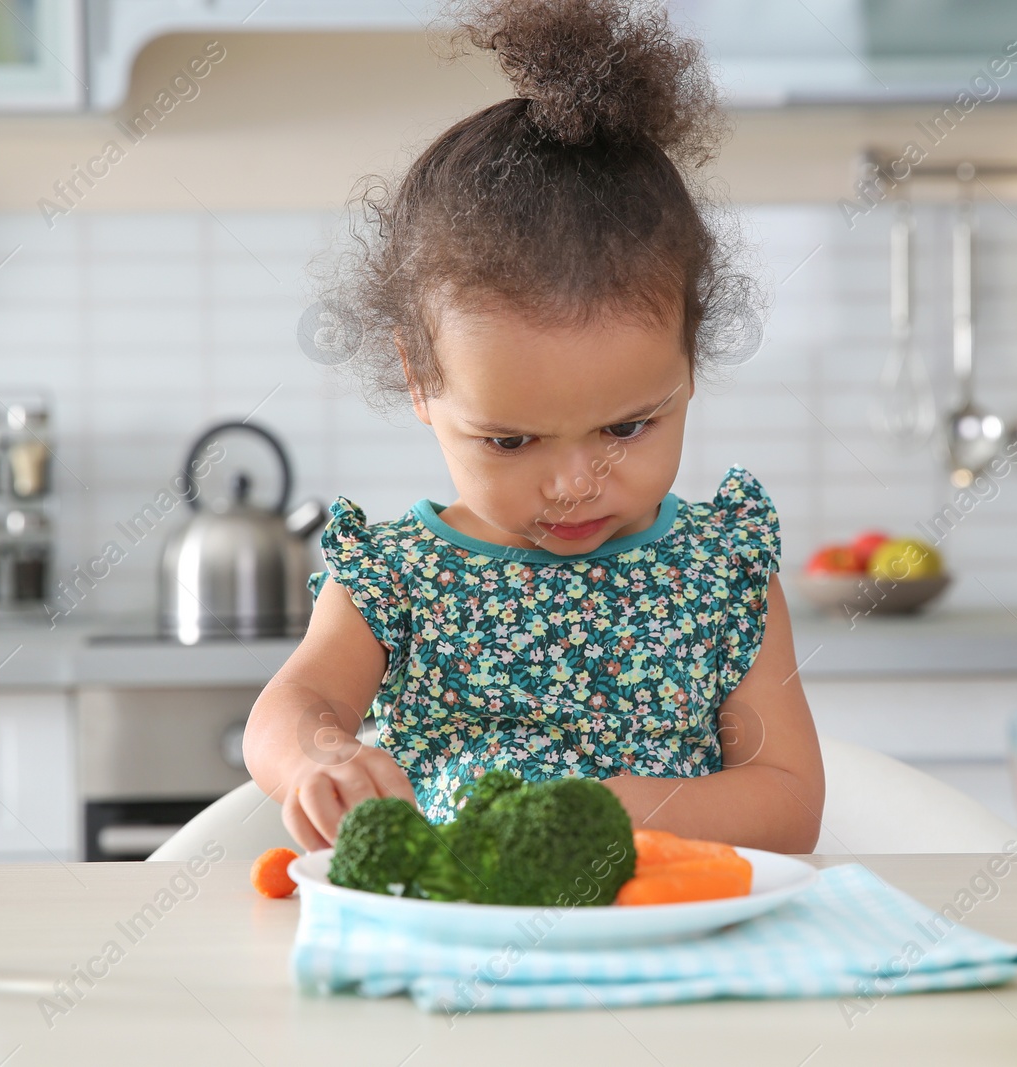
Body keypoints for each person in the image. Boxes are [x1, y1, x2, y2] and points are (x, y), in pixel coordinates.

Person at [244, 0, 824, 854]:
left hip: (667, 951)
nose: (573, 482)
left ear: (690, 362)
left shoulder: (722, 572)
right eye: (512, 441)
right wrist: (318, 757)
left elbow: (788, 803)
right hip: (456, 953)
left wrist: (598, 815)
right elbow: (290, 710)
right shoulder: (399, 578)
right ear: (419, 378)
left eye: (626, 428)